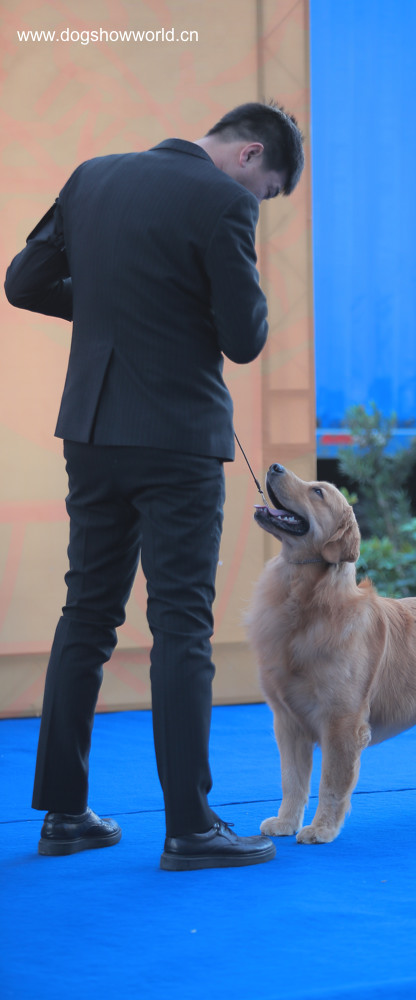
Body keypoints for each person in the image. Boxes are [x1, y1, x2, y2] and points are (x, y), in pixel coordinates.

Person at [4, 101, 304, 871]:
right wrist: (177, 311)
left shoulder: (92, 177)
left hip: (92, 430)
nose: (258, 202)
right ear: (249, 156)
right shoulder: (223, 202)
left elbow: (24, 281)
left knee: (86, 612)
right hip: (176, 440)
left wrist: (118, 309)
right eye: (268, 191)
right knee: (180, 625)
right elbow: (244, 339)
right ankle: (190, 828)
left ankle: (64, 816)